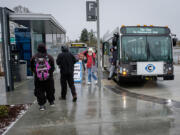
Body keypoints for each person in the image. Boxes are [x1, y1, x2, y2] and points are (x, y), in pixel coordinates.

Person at [30, 43, 55, 111]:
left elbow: (32, 67)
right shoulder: (49, 57)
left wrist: (37, 73)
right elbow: (53, 67)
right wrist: (49, 73)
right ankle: (51, 102)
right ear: (45, 48)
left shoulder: (34, 57)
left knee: (39, 90)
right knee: (50, 89)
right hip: (49, 78)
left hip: (38, 78)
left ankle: (42, 105)